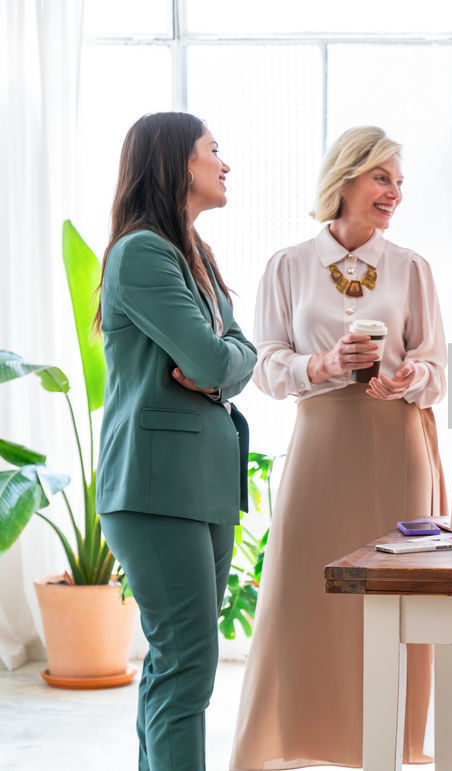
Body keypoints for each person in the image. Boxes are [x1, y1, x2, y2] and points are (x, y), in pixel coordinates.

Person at [231, 126, 447, 769]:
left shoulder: (412, 268)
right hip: (320, 444)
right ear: (346, 178)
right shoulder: (287, 265)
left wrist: (411, 377)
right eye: (383, 178)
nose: (394, 194)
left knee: (398, 593)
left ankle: (391, 747)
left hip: (394, 444)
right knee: (302, 594)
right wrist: (322, 365)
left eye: (400, 183)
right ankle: (293, 741)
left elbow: (439, 369)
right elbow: (266, 367)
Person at [95, 111, 257, 770]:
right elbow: (220, 364)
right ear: (176, 164)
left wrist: (222, 362)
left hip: (202, 485)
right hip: (157, 486)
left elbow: (239, 354)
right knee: (188, 662)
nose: (225, 163)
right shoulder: (142, 252)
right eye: (213, 150)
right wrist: (221, 363)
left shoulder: (195, 252)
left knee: (179, 664)